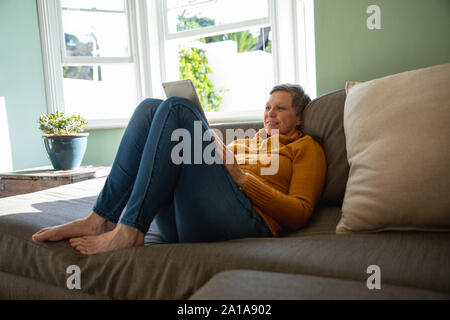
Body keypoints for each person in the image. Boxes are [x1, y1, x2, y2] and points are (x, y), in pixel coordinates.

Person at [32, 84, 327, 255]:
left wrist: (240, 177)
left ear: (299, 118)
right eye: (267, 107)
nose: (270, 114)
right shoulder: (244, 142)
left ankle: (130, 230)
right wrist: (206, 145)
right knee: (151, 108)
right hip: (186, 221)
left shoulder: (304, 148)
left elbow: (299, 213)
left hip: (249, 225)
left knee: (176, 108)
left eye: (280, 108)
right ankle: (101, 219)